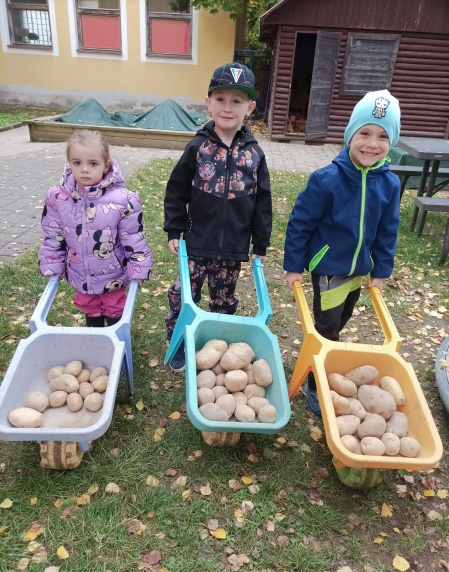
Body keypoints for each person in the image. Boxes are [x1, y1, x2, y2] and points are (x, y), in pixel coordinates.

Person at [283, 90, 401, 416]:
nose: (372, 144)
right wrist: (294, 266)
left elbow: (387, 230)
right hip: (330, 268)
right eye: (364, 133)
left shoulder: (389, 184)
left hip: (359, 269)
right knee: (326, 331)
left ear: (391, 142)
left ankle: (327, 363)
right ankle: (316, 383)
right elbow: (300, 224)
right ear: (350, 135)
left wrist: (380, 271)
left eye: (382, 136)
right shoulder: (326, 180)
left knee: (341, 321)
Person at [164, 61, 272, 372]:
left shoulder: (254, 154)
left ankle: (218, 346)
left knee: (224, 299)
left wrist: (259, 244)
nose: (227, 107)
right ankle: (180, 342)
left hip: (233, 248)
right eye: (220, 99)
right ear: (208, 103)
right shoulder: (198, 147)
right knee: (182, 295)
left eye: (236, 101)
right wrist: (174, 229)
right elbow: (177, 190)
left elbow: (262, 202)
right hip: (196, 243)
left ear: (249, 108)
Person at [39, 129, 152, 326]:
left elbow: (133, 237)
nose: (84, 169)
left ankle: (117, 338)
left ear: (105, 165)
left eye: (93, 163)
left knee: (114, 307)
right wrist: (52, 264)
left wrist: (138, 268)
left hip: (113, 273)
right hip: (79, 273)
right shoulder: (58, 198)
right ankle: (94, 337)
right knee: (89, 306)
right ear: (69, 164)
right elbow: (53, 235)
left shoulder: (124, 200)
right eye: (77, 163)